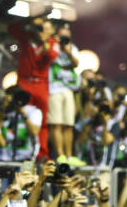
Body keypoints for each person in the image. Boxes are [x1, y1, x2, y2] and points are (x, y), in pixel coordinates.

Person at [8, 15, 58, 160]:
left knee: (42, 121)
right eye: (40, 28)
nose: (41, 31)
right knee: (22, 115)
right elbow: (11, 28)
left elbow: (50, 56)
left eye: (45, 29)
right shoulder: (27, 37)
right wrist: (30, 20)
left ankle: (42, 152)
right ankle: (21, 149)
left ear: (52, 31)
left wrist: (44, 40)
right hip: (24, 82)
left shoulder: (52, 42)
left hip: (41, 84)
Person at [48, 21, 82, 165]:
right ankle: (60, 155)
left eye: (67, 37)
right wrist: (56, 44)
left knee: (69, 124)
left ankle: (69, 156)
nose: (64, 40)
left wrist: (67, 51)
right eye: (62, 37)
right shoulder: (51, 46)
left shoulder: (72, 48)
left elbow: (76, 64)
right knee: (56, 123)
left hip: (68, 89)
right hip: (54, 88)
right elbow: (48, 58)